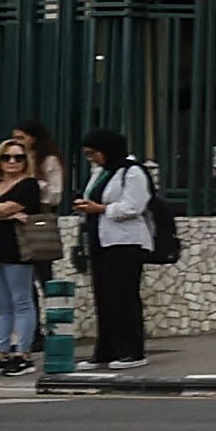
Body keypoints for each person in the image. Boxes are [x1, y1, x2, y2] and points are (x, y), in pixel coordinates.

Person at [0, 125, 56, 374]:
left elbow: (4, 207)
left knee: (22, 301)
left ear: (27, 161)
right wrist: (4, 213)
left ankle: (22, 353)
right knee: (2, 304)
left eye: (18, 157)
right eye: (7, 157)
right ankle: (0, 351)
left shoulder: (29, 185)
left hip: (18, 249)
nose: (12, 162)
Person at [77, 128, 160, 367]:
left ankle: (131, 350)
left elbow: (133, 206)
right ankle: (106, 350)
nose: (91, 158)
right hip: (101, 241)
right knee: (104, 296)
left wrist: (101, 209)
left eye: (94, 152)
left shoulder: (132, 172)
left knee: (123, 297)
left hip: (126, 242)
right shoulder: (101, 172)